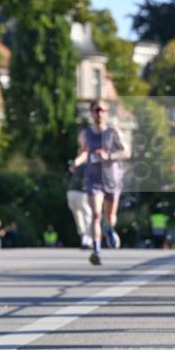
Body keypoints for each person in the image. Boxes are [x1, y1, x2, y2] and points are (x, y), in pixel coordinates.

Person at [73, 102, 128, 265]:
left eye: (102, 110)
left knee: (110, 216)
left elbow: (126, 152)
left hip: (112, 179)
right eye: (96, 110)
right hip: (93, 179)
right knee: (96, 214)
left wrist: (109, 156)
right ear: (91, 113)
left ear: (106, 113)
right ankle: (96, 249)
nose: (99, 113)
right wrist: (76, 163)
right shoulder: (86, 134)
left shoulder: (114, 132)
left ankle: (109, 229)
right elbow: (83, 152)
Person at [66, 160, 93, 249]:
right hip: (75, 191)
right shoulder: (80, 160)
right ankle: (84, 235)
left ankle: (87, 236)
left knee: (84, 214)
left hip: (79, 192)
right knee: (80, 215)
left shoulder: (87, 159)